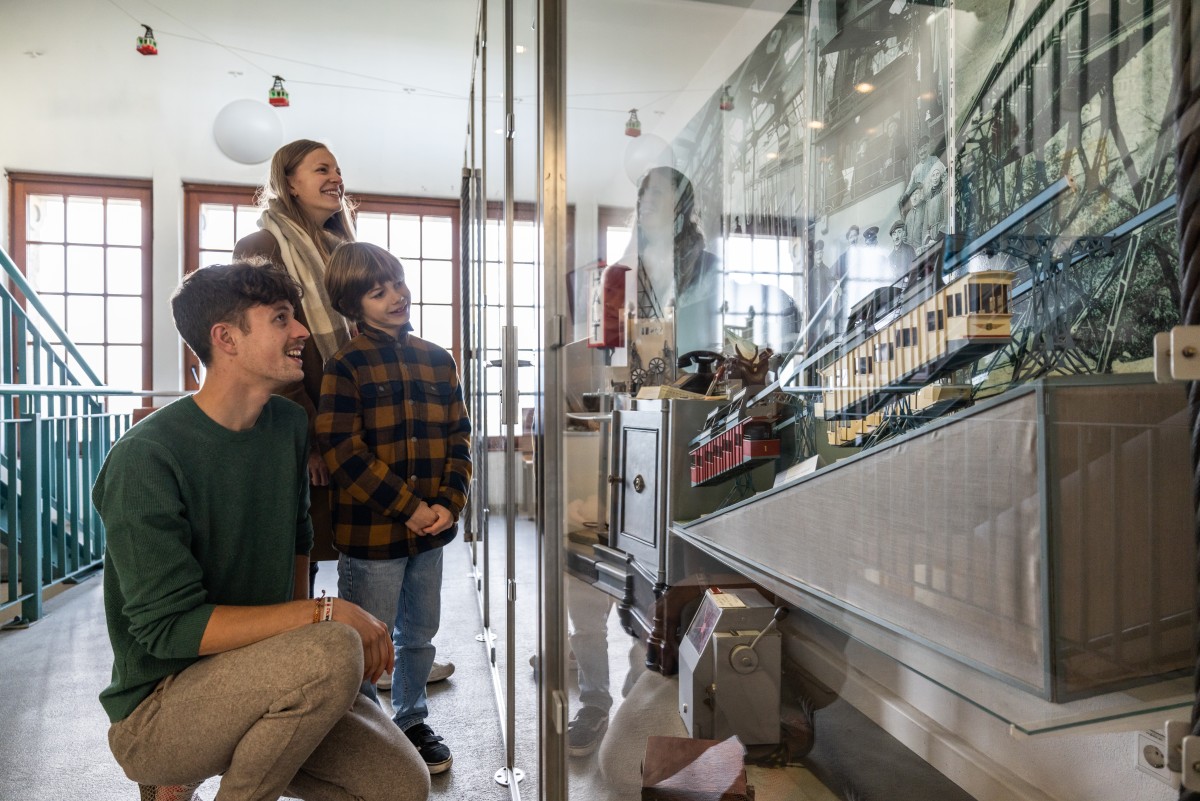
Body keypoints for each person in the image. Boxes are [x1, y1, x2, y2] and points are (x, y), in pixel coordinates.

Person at [93, 263, 429, 801]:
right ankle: (173, 778)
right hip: (161, 708)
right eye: (280, 319)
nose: (301, 332)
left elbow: (299, 539)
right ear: (225, 338)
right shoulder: (146, 457)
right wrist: (321, 621)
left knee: (400, 788)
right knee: (331, 649)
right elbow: (168, 631)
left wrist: (305, 642)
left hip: (267, 672)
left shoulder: (287, 427)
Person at [234, 139, 454, 687]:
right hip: (306, 419)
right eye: (321, 169)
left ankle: (396, 659)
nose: (335, 178)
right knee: (304, 550)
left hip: (366, 411)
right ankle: (310, 669)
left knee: (385, 541)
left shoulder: (343, 243)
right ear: (289, 181)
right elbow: (270, 341)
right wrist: (311, 434)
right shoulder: (262, 242)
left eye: (337, 169)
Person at [315, 242, 472, 775]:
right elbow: (342, 452)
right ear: (353, 305)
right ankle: (364, 728)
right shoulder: (346, 365)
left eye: (398, 284)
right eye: (378, 292)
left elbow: (459, 438)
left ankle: (412, 719)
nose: (396, 297)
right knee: (367, 637)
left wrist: (450, 504)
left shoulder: (438, 359)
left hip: (432, 534)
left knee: (419, 634)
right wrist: (408, 507)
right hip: (372, 537)